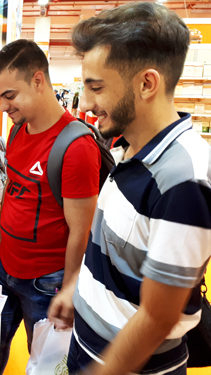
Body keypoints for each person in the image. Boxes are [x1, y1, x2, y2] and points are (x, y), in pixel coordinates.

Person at [47, 3, 211, 375]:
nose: (85, 105)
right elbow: (114, 247)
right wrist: (78, 288)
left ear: (147, 83)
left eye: (96, 87)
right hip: (88, 348)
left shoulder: (183, 179)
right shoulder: (127, 148)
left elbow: (157, 317)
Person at [0, 39, 101, 374]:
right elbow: (14, 189)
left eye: (10, 95)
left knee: (45, 361)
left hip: (44, 282)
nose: (5, 106)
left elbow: (81, 231)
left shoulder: (76, 146)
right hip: (2, 267)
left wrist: (69, 287)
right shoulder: (19, 129)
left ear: (38, 80)